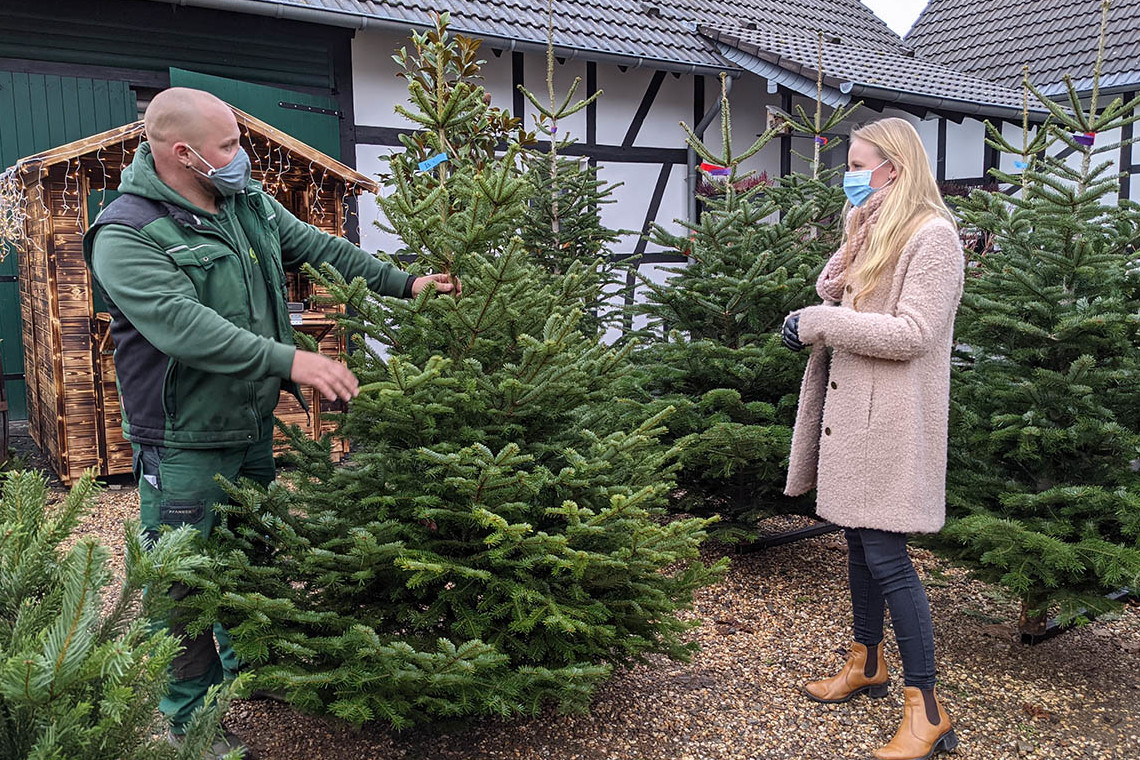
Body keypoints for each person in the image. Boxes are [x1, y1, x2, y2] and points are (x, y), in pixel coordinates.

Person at [82, 87, 458, 758]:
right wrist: (293, 360)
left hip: (249, 424)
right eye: (228, 147)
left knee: (251, 552)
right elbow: (183, 327)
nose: (242, 158)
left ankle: (247, 672)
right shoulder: (126, 232)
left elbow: (319, 247)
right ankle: (186, 720)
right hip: (184, 438)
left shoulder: (245, 203)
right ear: (182, 153)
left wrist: (406, 285)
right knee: (184, 582)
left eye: (239, 142)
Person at [781, 117, 964, 760]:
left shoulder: (934, 237)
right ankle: (867, 662)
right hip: (852, 415)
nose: (849, 176)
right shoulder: (878, 226)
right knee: (858, 541)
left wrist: (820, 322)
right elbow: (834, 291)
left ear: (896, 167)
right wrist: (854, 230)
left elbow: (913, 333)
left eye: (858, 166)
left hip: (888, 423)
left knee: (888, 556)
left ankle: (927, 709)